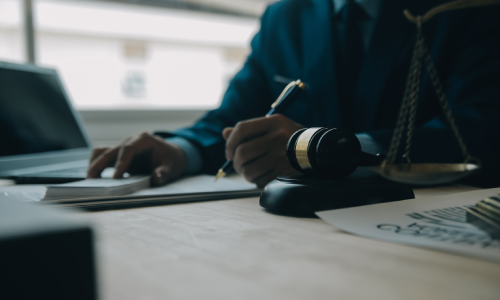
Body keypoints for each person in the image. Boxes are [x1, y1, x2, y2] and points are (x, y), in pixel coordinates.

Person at [87, 0, 500, 187]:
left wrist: (323, 150)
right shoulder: (285, 15)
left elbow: (478, 129)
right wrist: (180, 149)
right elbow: (234, 116)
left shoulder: (469, 10)